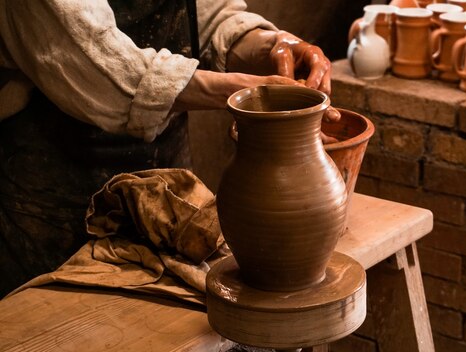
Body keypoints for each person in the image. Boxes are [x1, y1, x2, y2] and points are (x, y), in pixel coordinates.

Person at [0, 0, 337, 296]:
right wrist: (243, 93)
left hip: (169, 193)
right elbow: (88, 59)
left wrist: (269, 46)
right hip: (54, 205)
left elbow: (206, 15)